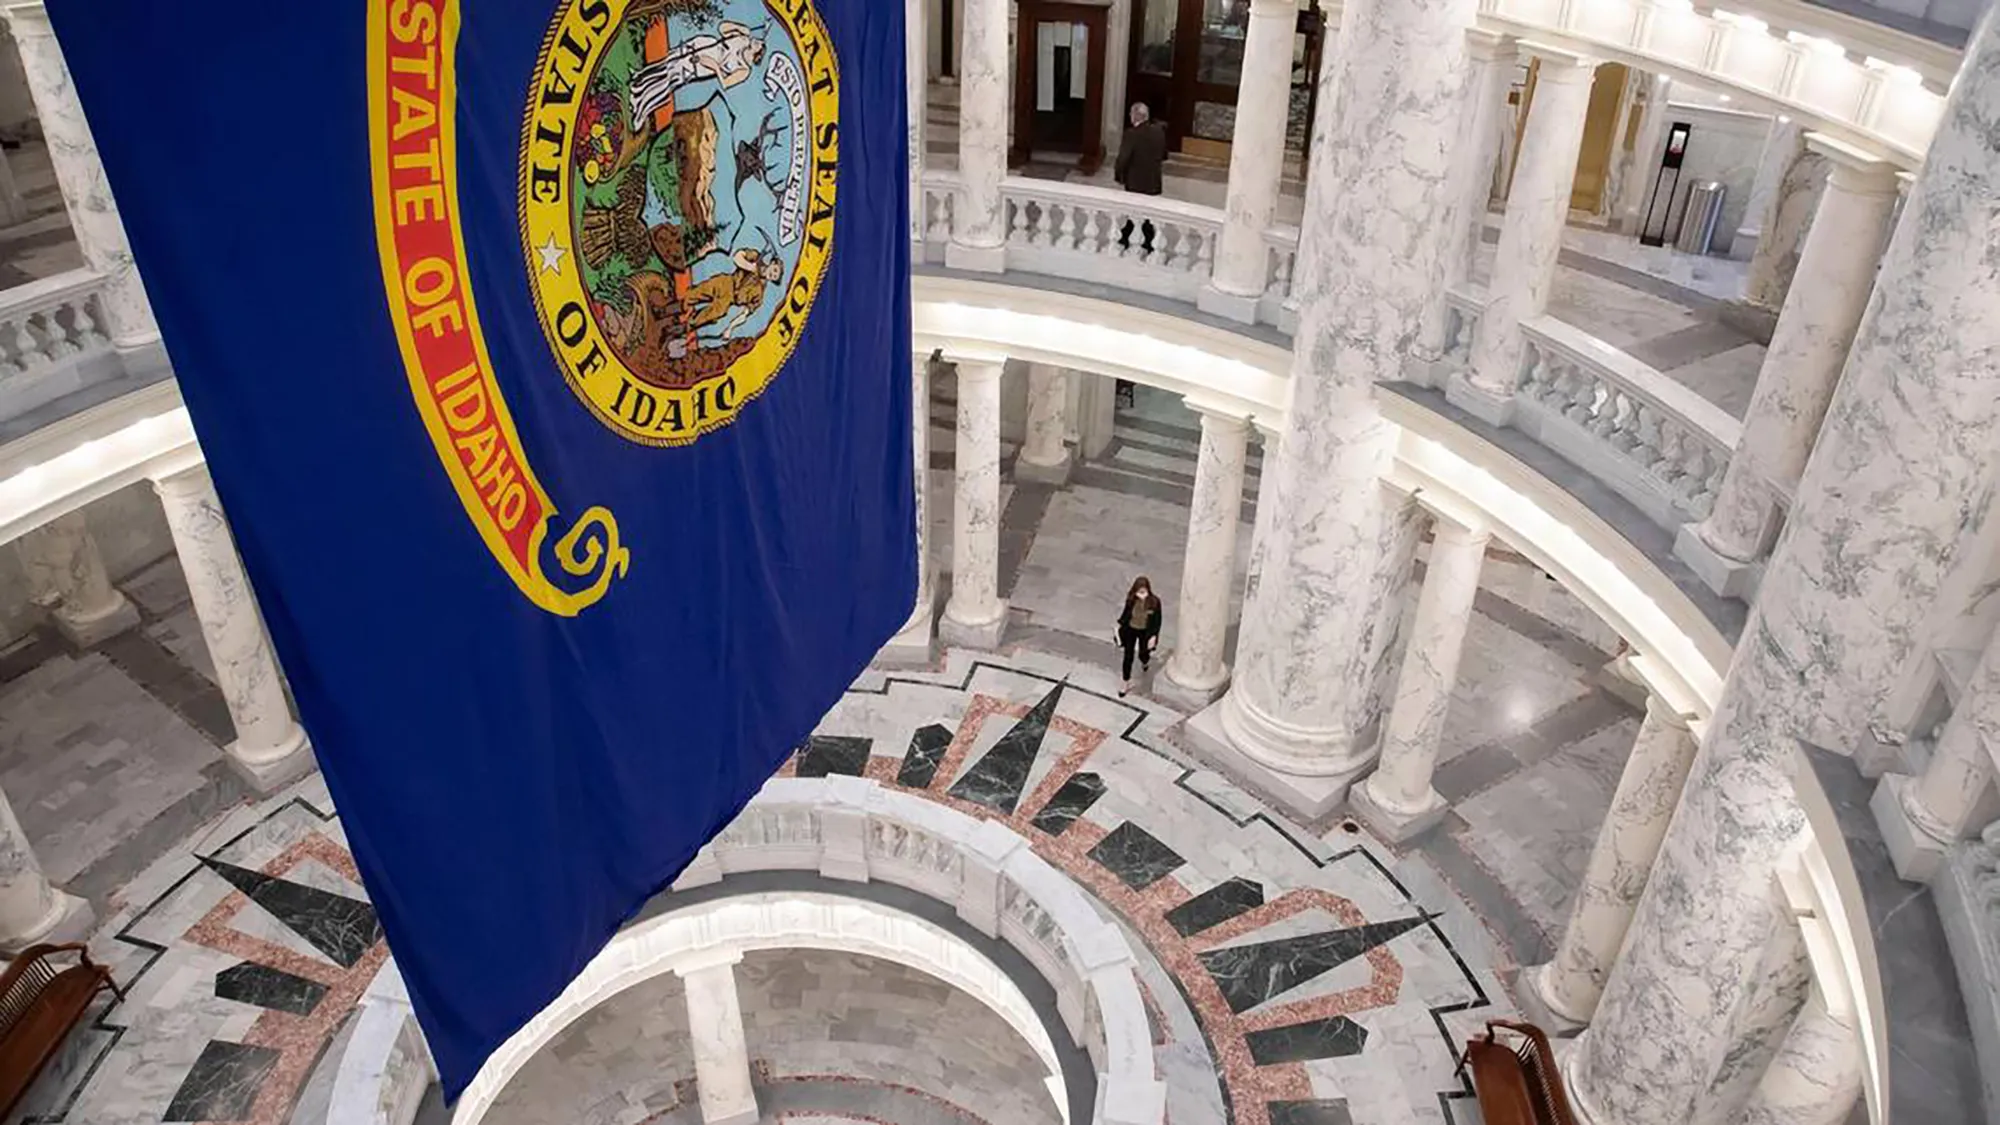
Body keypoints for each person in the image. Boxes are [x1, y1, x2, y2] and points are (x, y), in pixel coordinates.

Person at [1114, 103, 1167, 253]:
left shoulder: (1132, 134)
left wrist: (1119, 176)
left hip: (1136, 181)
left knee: (1136, 211)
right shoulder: (1159, 132)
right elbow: (1164, 155)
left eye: (1131, 114)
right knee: (1144, 212)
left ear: (1136, 115)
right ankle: (1131, 237)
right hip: (1153, 181)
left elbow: (1123, 158)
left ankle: (1134, 239)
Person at [1115, 577, 1164, 696]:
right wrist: (1119, 625)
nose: (1142, 595)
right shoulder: (1131, 600)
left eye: (1144, 592)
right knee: (1128, 656)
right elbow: (1126, 614)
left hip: (1145, 632)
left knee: (1143, 652)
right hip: (1131, 630)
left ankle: (1145, 661)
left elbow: (1157, 621)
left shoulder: (1154, 602)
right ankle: (1125, 681)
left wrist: (1153, 636)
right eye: (1139, 592)